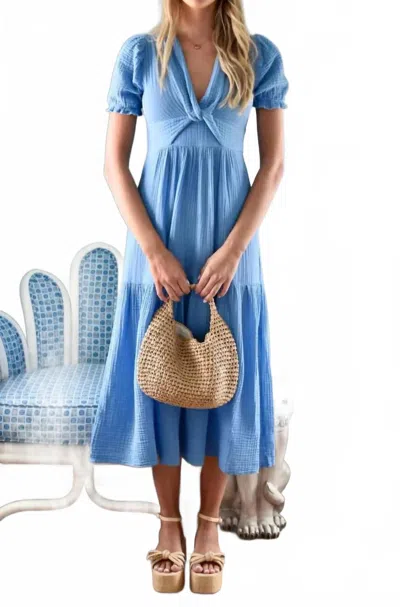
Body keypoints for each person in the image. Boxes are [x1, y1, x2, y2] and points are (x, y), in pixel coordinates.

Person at [89, 0, 289, 594]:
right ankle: (168, 524)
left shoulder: (259, 56)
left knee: (224, 378)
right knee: (160, 378)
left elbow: (273, 166)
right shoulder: (138, 55)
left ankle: (209, 528)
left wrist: (233, 251)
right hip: (157, 248)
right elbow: (114, 165)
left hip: (231, 251)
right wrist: (152, 250)